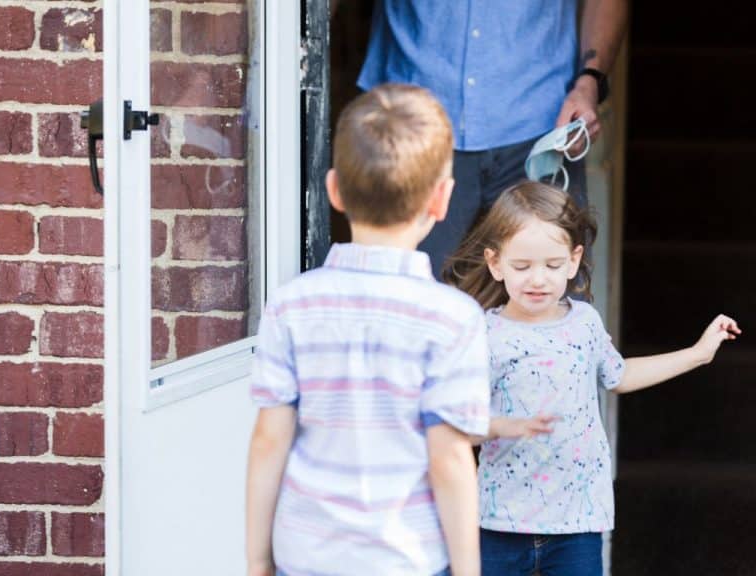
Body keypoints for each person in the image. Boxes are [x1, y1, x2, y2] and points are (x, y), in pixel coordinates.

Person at [245, 84, 552, 576]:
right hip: (407, 559)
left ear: (334, 191)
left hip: (306, 558)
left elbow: (268, 440)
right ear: (441, 199)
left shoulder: (291, 304)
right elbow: (449, 457)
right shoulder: (451, 318)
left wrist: (258, 560)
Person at [445, 181, 741, 575]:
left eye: (552, 265)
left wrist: (697, 355)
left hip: (578, 521)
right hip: (500, 522)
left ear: (573, 259)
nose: (538, 279)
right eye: (522, 266)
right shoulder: (483, 332)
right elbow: (460, 427)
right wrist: (503, 426)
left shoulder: (584, 322)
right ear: (495, 263)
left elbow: (619, 376)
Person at [343, 0, 627, 275]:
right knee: (402, 306)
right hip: (410, 129)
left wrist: (590, 80)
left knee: (550, 308)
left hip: (541, 129)